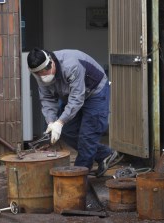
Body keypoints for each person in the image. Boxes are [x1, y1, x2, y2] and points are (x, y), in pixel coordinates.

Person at [27, 48, 123, 177]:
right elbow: (47, 99)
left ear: (51, 62)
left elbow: (76, 99)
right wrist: (51, 122)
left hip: (95, 92)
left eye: (46, 73)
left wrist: (60, 122)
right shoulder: (40, 75)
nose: (43, 78)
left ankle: (77, 179)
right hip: (72, 96)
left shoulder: (71, 65)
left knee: (87, 137)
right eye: (39, 75)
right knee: (67, 131)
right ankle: (105, 154)